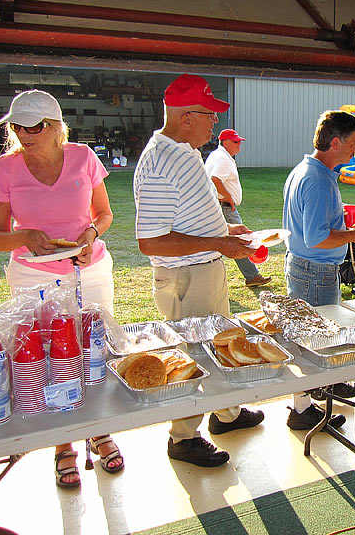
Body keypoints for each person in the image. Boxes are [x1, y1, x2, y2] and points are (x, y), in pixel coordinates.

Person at [0, 89, 123, 488]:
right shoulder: (4, 168)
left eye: (36, 126)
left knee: (95, 349)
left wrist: (91, 234)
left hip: (89, 270)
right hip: (33, 277)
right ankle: (63, 445)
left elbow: (105, 213)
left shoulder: (83, 157)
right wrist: (24, 235)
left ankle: (99, 429)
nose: (26, 134)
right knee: (49, 356)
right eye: (18, 126)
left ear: (56, 127)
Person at [133, 74, 264, 467]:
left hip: (204, 271)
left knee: (219, 346)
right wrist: (218, 243)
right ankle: (183, 438)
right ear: (187, 116)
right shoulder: (159, 162)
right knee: (192, 358)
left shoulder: (186, 149)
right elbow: (151, 242)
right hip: (187, 279)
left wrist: (226, 231)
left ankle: (226, 414)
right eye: (210, 116)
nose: (215, 125)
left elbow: (190, 217)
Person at [282, 110, 355, 429]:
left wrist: (348, 228)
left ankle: (325, 385)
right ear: (336, 141)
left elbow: (318, 228)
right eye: (353, 143)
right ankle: (302, 409)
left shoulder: (308, 169)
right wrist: (354, 235)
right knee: (312, 340)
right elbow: (317, 237)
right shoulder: (318, 179)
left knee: (313, 335)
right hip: (314, 272)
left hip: (307, 268)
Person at [205, 129, 272, 288]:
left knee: (222, 241)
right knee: (241, 239)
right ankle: (252, 276)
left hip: (218, 205)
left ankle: (250, 275)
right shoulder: (223, 159)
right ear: (225, 143)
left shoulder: (219, 155)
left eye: (239, 141)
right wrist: (228, 197)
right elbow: (215, 179)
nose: (239, 144)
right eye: (235, 142)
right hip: (224, 206)